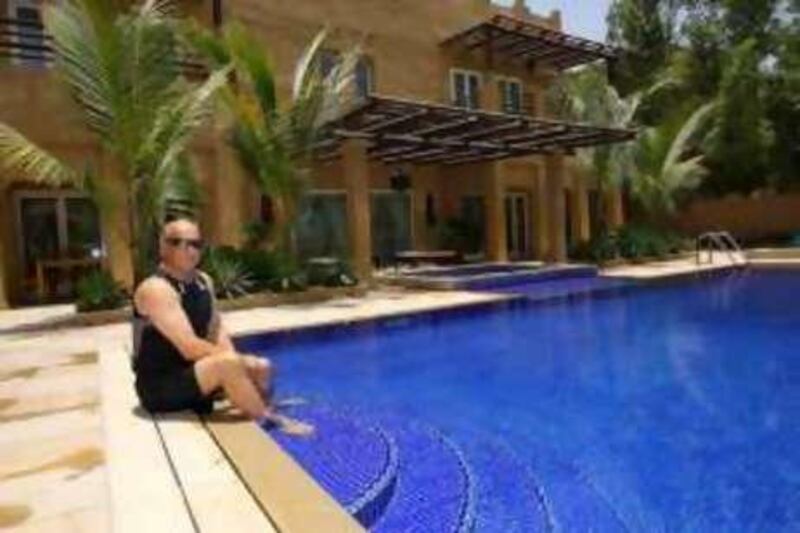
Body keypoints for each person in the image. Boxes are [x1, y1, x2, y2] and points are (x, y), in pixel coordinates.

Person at [132, 216, 313, 436]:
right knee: (229, 363)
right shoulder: (155, 289)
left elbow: (216, 329)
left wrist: (242, 364)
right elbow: (188, 347)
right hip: (161, 386)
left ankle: (261, 403)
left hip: (196, 375)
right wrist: (235, 363)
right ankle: (268, 420)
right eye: (177, 242)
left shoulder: (203, 281)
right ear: (163, 246)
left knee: (262, 365)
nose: (188, 249)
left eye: (195, 243)